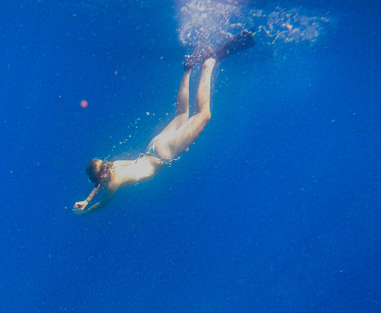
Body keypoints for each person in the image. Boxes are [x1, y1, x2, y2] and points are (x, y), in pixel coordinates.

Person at [72, 30, 254, 216]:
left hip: (163, 154)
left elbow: (103, 203)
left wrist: (85, 212)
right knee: (182, 114)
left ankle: (209, 64)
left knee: (204, 115)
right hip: (153, 146)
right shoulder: (111, 165)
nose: (98, 183)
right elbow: (99, 184)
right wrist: (86, 199)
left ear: (100, 175)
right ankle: (188, 69)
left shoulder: (113, 181)